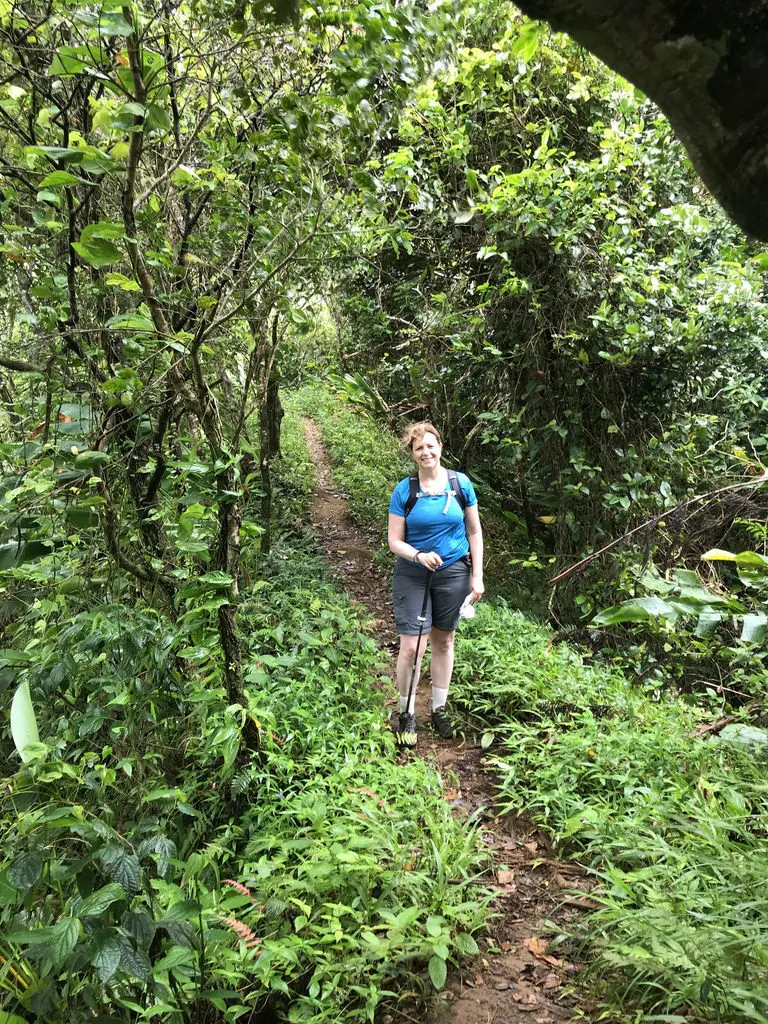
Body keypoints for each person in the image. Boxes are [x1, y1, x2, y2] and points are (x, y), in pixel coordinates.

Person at [387, 422, 484, 745]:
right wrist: (418, 555)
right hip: (413, 573)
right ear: (413, 455)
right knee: (413, 645)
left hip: (454, 571)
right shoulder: (405, 490)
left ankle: (439, 709)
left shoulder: (460, 484)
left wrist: (477, 576)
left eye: (431, 446)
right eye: (419, 448)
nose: (426, 452)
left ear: (440, 447)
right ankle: (407, 712)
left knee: (444, 640)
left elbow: (474, 531)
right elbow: (394, 541)